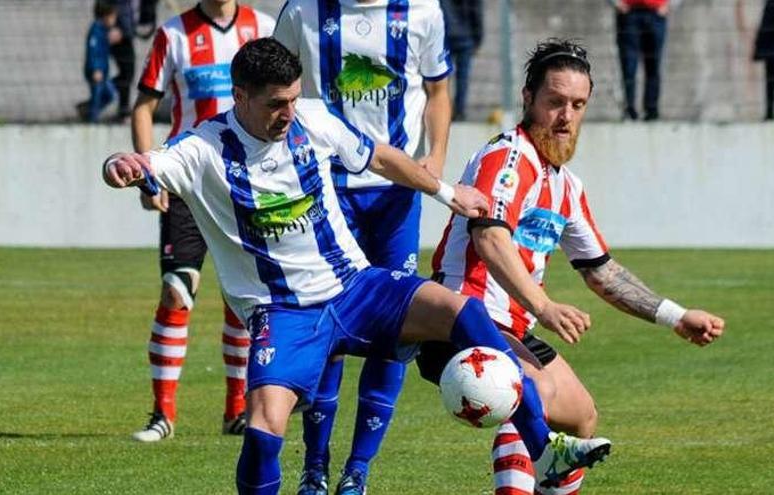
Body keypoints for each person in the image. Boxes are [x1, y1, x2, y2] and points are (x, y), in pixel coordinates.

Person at [102, 37, 613, 495]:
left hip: (355, 286)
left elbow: (381, 158)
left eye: (293, 99)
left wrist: (444, 191)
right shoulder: (202, 149)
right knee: (262, 429)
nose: (288, 113)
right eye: (275, 104)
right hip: (283, 311)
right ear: (240, 97)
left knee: (463, 313)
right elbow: (147, 164)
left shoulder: (313, 121)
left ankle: (544, 449)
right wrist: (121, 166)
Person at [420, 38, 725, 494]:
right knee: (528, 394)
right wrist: (544, 307)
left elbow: (600, 270)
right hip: (463, 317)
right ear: (528, 99)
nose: (566, 117)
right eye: (555, 102)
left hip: (514, 328)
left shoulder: (566, 185)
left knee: (582, 417)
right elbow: (489, 237)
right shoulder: (508, 159)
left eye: (577, 105)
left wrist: (676, 316)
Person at [273, 1, 453, 493]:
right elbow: (276, 85)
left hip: (398, 196)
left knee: (395, 331)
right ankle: (315, 467)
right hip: (326, 194)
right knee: (327, 325)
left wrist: (434, 157)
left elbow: (438, 88)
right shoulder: (303, 11)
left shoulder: (422, 11)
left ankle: (358, 472)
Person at [129, 0, 274, 442]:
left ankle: (237, 412)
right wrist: (148, 174)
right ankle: (162, 416)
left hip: (245, 186)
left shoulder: (263, 27)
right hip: (187, 184)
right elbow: (143, 107)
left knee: (244, 298)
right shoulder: (172, 34)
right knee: (176, 291)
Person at [609, 0, 681, 121]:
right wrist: (616, 3)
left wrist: (670, 5)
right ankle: (629, 109)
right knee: (628, 65)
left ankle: (651, 110)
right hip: (629, 14)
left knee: (654, 64)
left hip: (655, 14)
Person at [439, 0, 483, 121]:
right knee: (462, 77)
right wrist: (478, 38)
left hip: (445, 36)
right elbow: (476, 13)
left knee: (442, 76)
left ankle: (443, 110)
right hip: (466, 36)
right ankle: (459, 111)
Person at [83, 1, 120, 123]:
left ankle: (86, 110)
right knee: (97, 95)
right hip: (96, 71)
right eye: (113, 17)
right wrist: (95, 69)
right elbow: (93, 51)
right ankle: (92, 120)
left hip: (103, 71)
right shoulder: (96, 30)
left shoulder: (104, 31)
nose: (114, 20)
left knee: (110, 94)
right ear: (106, 16)